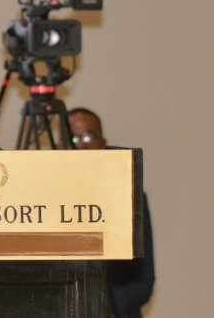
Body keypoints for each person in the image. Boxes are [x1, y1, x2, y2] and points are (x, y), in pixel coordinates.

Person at [67, 108, 156, 318]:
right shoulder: (44, 203)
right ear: (60, 145)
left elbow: (143, 280)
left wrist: (101, 309)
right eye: (72, 138)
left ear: (102, 142)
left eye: (88, 136)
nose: (80, 145)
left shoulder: (131, 197)